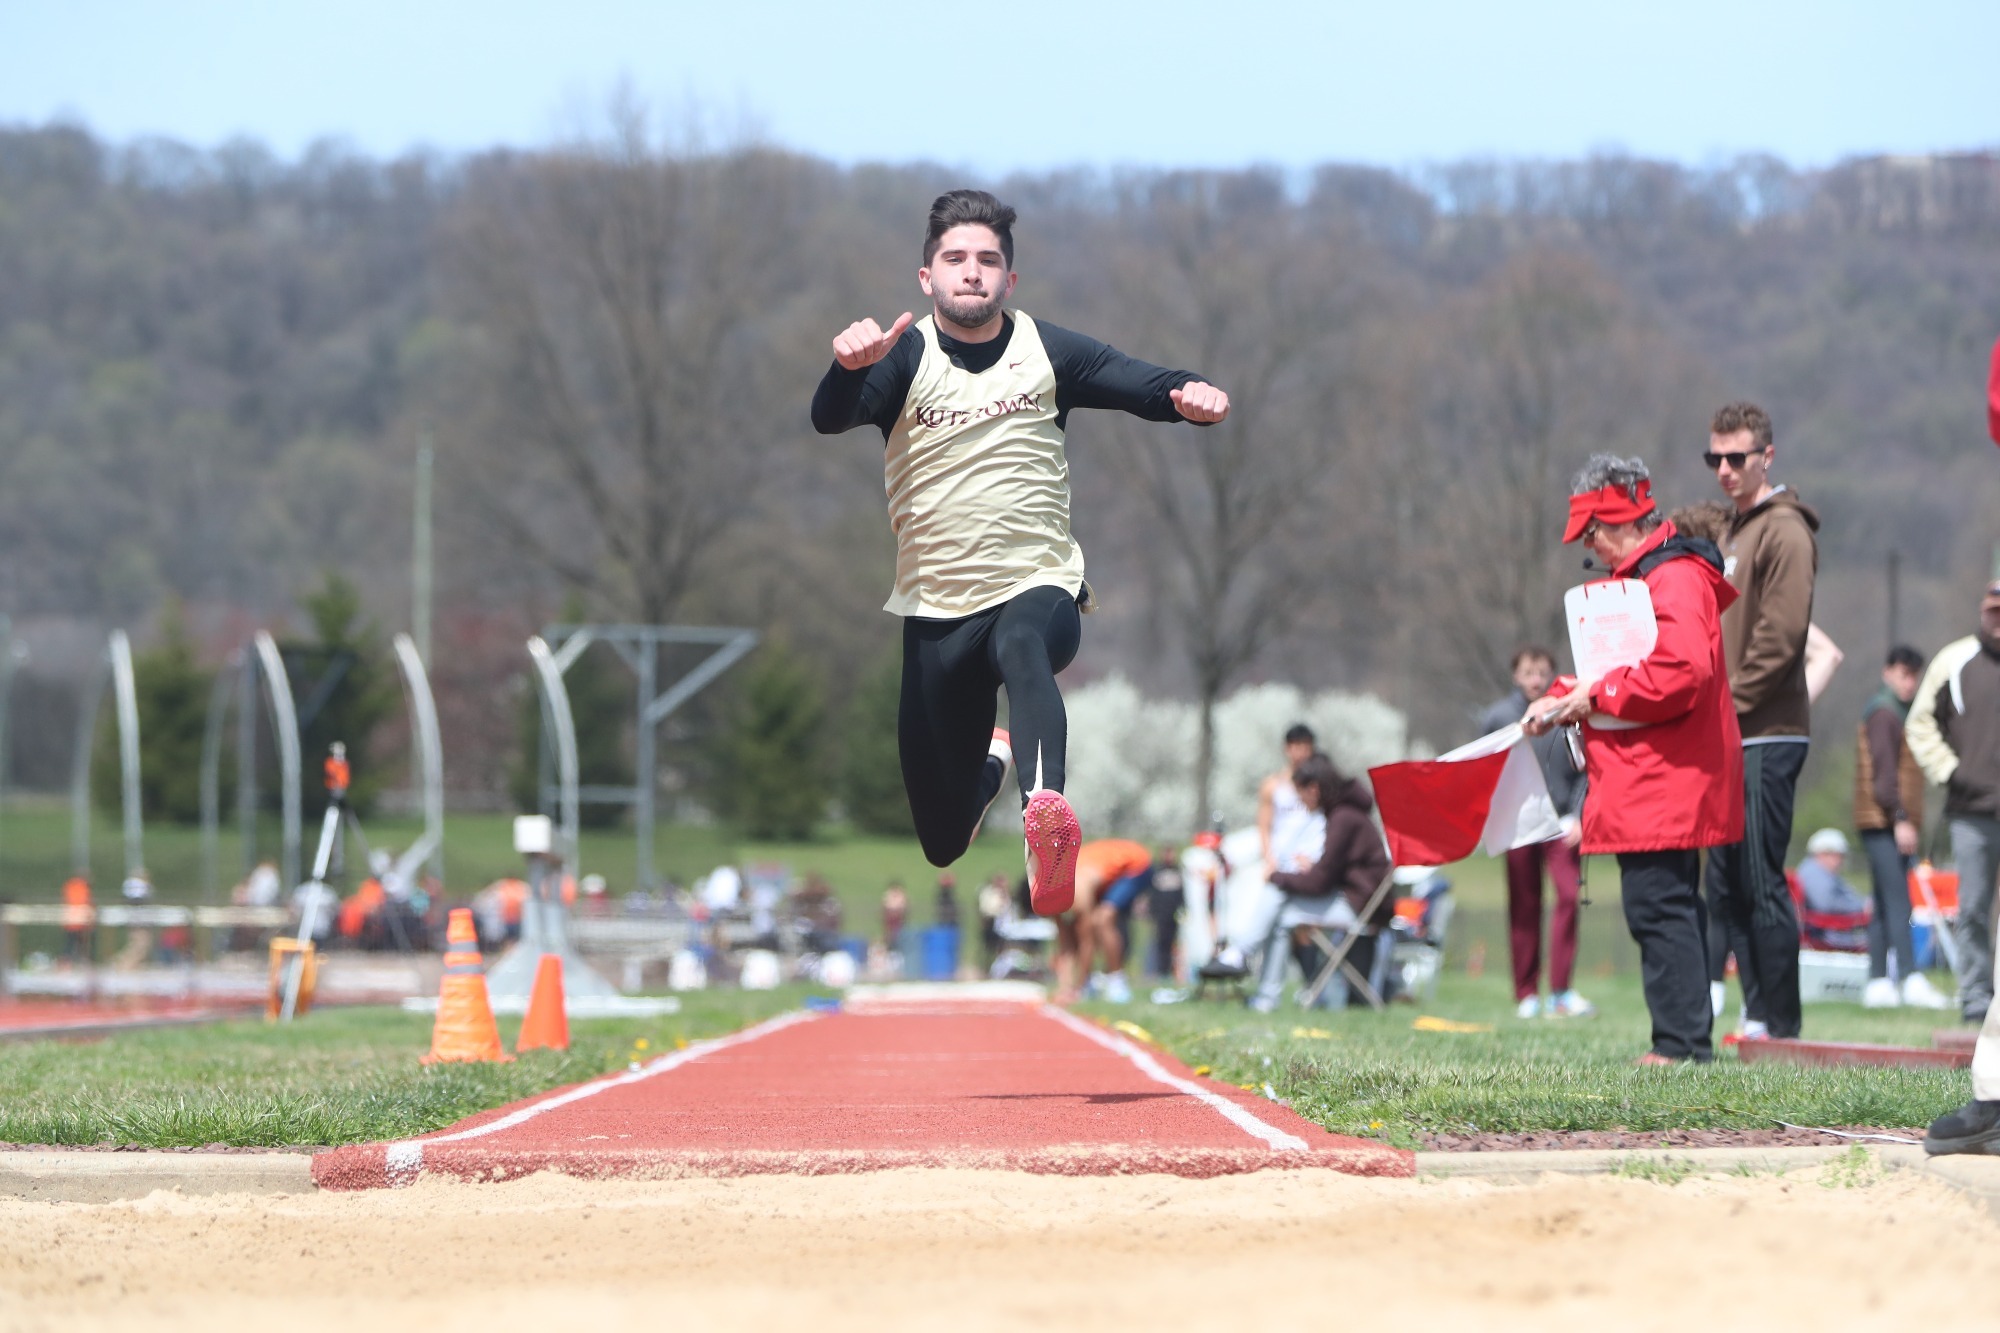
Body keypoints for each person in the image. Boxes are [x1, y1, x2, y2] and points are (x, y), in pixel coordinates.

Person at [811, 189, 1230, 917]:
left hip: (1039, 587)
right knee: (942, 841)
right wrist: (848, 366)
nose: (971, 272)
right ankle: (997, 762)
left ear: (1010, 279)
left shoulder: (1047, 350)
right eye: (955, 259)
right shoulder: (903, 356)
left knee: (1023, 639)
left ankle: (1046, 814)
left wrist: (1189, 396)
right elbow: (829, 417)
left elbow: (1140, 381)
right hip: (935, 614)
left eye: (988, 260)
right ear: (927, 278)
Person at [1526, 453, 1742, 1064]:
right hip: (1649, 776)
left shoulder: (1673, 578)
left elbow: (1681, 672)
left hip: (1666, 778)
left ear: (1614, 518)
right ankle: (1681, 1042)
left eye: (1590, 533)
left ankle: (1679, 1047)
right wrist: (1562, 695)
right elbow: (1621, 669)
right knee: (1662, 905)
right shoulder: (1654, 578)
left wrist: (1593, 694)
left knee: (1661, 906)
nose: (1590, 548)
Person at [1701, 401, 1819, 1042]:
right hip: (1732, 731)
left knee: (1760, 879)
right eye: (1713, 458)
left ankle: (1785, 1027)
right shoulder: (1735, 531)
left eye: (1736, 457)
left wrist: (1723, 704)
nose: (1724, 469)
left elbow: (1780, 640)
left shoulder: (1786, 532)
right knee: (1728, 885)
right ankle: (1756, 1017)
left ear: (1765, 457)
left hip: (1769, 731)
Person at [1479, 646, 1591, 1019]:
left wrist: (1577, 815)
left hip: (1560, 824)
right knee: (1524, 907)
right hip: (1519, 825)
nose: (1536, 680)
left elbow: (1584, 769)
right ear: (1516, 676)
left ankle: (1561, 992)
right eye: (1528, 672)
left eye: (1542, 672)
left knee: (1568, 898)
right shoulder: (1498, 717)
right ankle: (1526, 993)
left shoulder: (1567, 714)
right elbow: (1484, 769)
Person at [1229, 754, 1390, 1014]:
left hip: (1361, 906)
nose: (1300, 802)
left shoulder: (1343, 819)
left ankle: (1245, 961)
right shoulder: (1344, 814)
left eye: (1300, 794)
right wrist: (1309, 869)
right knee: (1282, 904)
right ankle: (1247, 965)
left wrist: (1277, 876)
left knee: (1281, 899)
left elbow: (1319, 883)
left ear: (1314, 789)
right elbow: (1333, 871)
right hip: (1357, 898)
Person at [1907, 578, 2000, 1023]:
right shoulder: (1955, 659)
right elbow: (1920, 722)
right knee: (1974, 907)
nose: (1997, 620)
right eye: (1992, 610)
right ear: (1982, 610)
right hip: (1972, 810)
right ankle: (1976, 996)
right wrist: (1951, 772)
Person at [1855, 645, 1948, 1008]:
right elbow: (1884, 776)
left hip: (1882, 820)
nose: (1910, 682)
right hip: (1885, 821)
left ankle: (1879, 981)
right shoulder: (1885, 713)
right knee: (1898, 901)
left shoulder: (1895, 712)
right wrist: (1900, 818)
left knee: (1882, 902)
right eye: (1903, 673)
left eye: (1914, 675)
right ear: (1887, 672)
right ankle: (1908, 977)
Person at [1059, 838, 1152, 1002]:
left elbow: (1086, 943)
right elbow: (1065, 945)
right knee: (1085, 928)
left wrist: (1079, 988)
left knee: (1103, 920)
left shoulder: (1081, 892)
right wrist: (1065, 987)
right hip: (1105, 871)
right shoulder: (1052, 899)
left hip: (1136, 864)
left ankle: (1116, 980)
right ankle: (1089, 982)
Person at [1257, 725, 1320, 877]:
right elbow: (1264, 826)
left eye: (1306, 747)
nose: (1301, 753)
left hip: (1313, 860)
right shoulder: (1272, 786)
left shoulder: (1320, 785)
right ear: (1287, 748)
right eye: (1297, 746)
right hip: (1282, 860)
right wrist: (1269, 858)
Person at [1794, 829, 1869, 951]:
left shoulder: (1824, 873)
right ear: (1824, 853)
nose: (1841, 861)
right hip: (1825, 934)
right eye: (1839, 855)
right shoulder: (1812, 872)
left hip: (1831, 930)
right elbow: (1826, 903)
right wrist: (1862, 907)